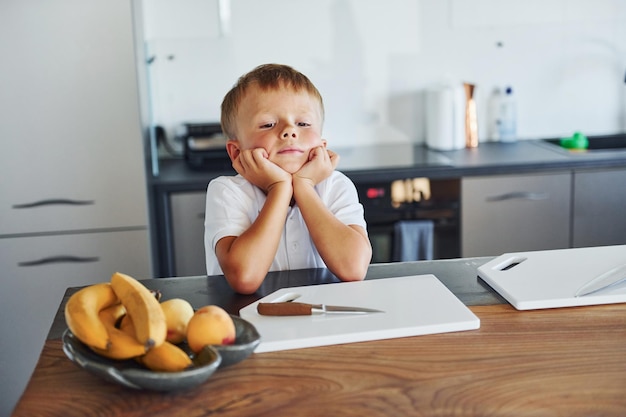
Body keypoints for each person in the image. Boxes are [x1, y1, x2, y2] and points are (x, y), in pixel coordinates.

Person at [204, 63, 372, 294]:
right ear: (236, 152)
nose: (290, 131)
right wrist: (280, 189)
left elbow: (353, 268)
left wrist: (303, 186)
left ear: (322, 146)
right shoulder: (226, 191)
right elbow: (245, 278)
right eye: (268, 124)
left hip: (325, 319)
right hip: (250, 322)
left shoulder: (336, 185)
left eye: (302, 123)